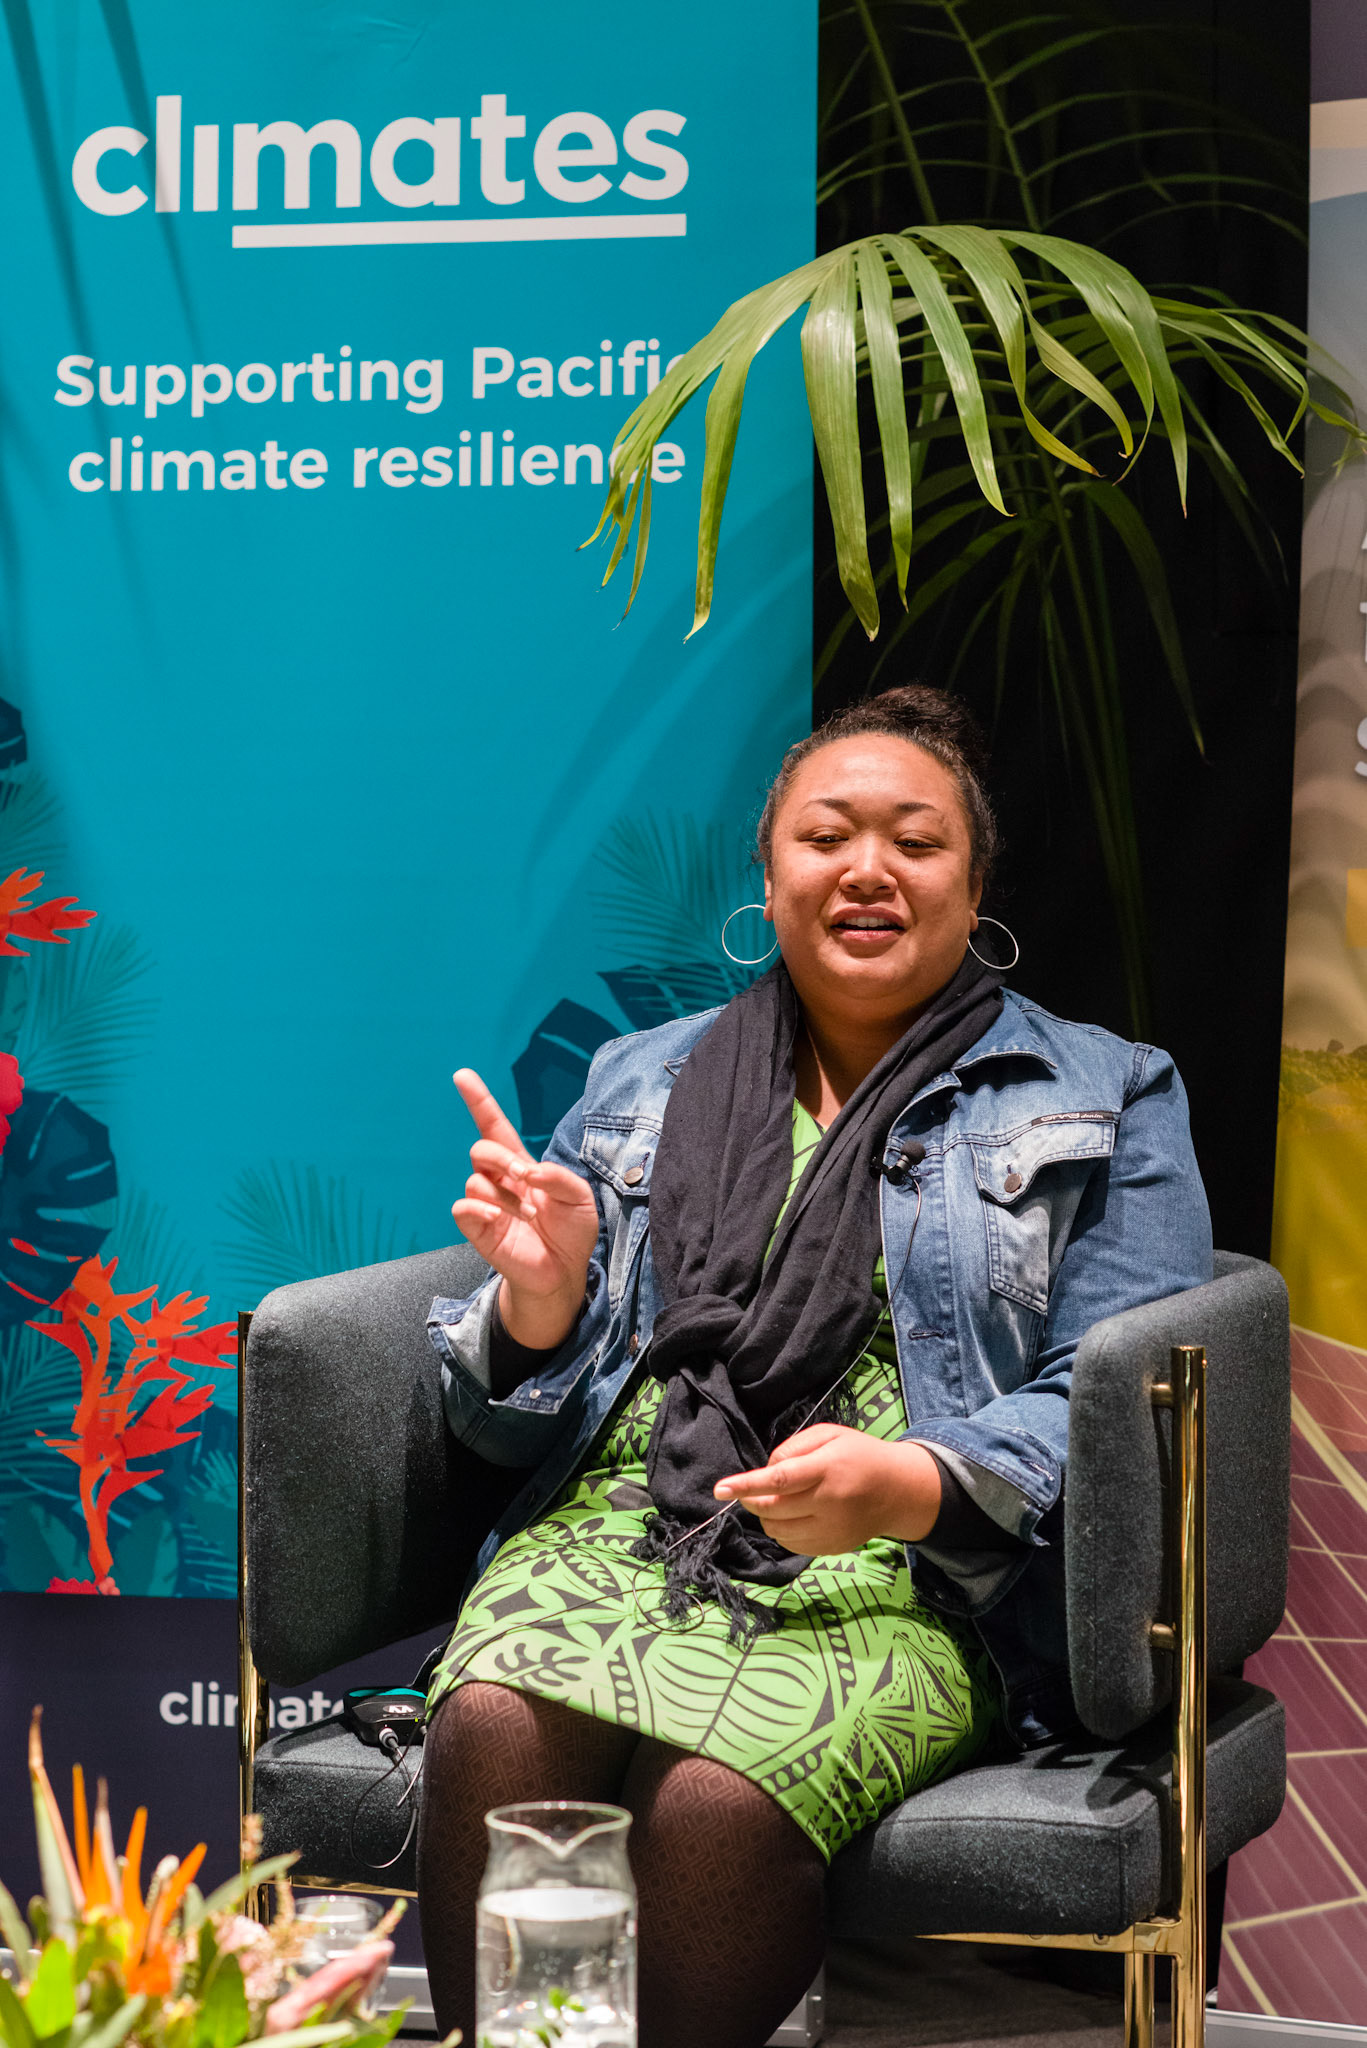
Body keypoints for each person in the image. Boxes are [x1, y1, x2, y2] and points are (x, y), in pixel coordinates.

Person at [416, 685, 1212, 2048]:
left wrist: (908, 1486)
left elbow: (1115, 1398)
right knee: (492, 1720)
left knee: (714, 1801)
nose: (867, 870)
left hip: (911, 1572)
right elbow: (504, 1421)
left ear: (976, 887)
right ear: (770, 874)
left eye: (917, 841)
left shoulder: (1106, 1093)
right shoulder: (642, 1077)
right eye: (827, 836)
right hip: (626, 1525)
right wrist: (540, 1304)